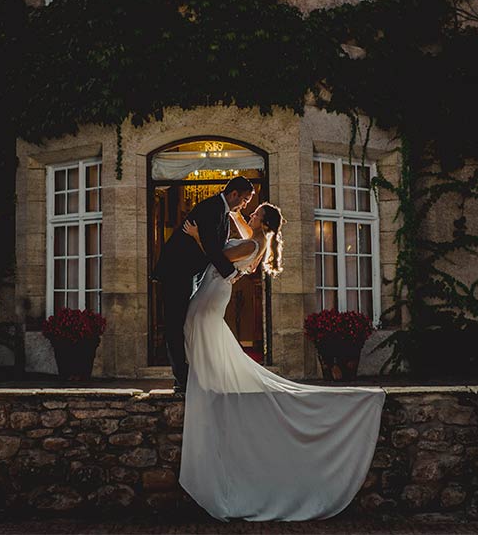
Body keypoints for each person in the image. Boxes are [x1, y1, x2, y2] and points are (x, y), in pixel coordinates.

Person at [177, 202, 387, 522]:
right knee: (201, 333)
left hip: (212, 293)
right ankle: (207, 378)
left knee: (198, 329)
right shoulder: (258, 240)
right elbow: (244, 230)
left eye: (255, 213)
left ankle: (206, 381)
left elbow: (216, 257)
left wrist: (195, 235)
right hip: (214, 292)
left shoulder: (250, 243)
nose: (251, 216)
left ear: (263, 221)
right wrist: (233, 210)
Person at [152, 176, 255, 393]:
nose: (245, 205)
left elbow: (216, 247)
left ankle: (190, 373)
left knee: (187, 322)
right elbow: (211, 248)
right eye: (244, 200)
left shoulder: (224, 214)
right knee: (175, 325)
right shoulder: (211, 208)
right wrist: (231, 273)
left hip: (192, 273)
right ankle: (182, 378)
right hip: (176, 272)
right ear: (234, 194)